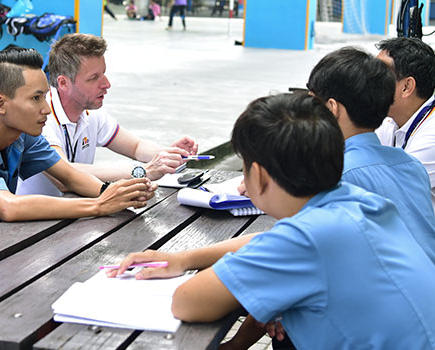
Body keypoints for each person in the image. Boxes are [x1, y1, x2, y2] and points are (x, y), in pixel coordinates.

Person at [108, 93, 435, 349]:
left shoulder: (305, 239)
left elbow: (188, 302)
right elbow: (273, 240)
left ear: (259, 175)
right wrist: (184, 258)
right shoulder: (360, 202)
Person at [223, 47, 435, 350]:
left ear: (331, 109)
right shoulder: (408, 165)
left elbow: (288, 257)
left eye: (312, 102)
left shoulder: (336, 178)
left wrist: (235, 345)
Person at [0, 47, 155, 240]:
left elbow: (69, 177)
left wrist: (119, 193)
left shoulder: (22, 136)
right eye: (36, 98)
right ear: (0, 104)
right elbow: (8, 207)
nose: (46, 109)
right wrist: (99, 205)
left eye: (45, 97)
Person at [16, 34, 197, 197]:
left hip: (73, 214)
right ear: (63, 83)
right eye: (94, 77)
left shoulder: (90, 113)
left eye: (104, 73)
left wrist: (166, 155)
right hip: (33, 226)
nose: (107, 84)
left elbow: (135, 146)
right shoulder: (41, 116)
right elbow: (65, 175)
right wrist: (144, 171)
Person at [375, 37, 435, 211]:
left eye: (380, 74)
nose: (369, 81)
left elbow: (386, 190)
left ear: (407, 87)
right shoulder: (390, 120)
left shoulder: (432, 134)